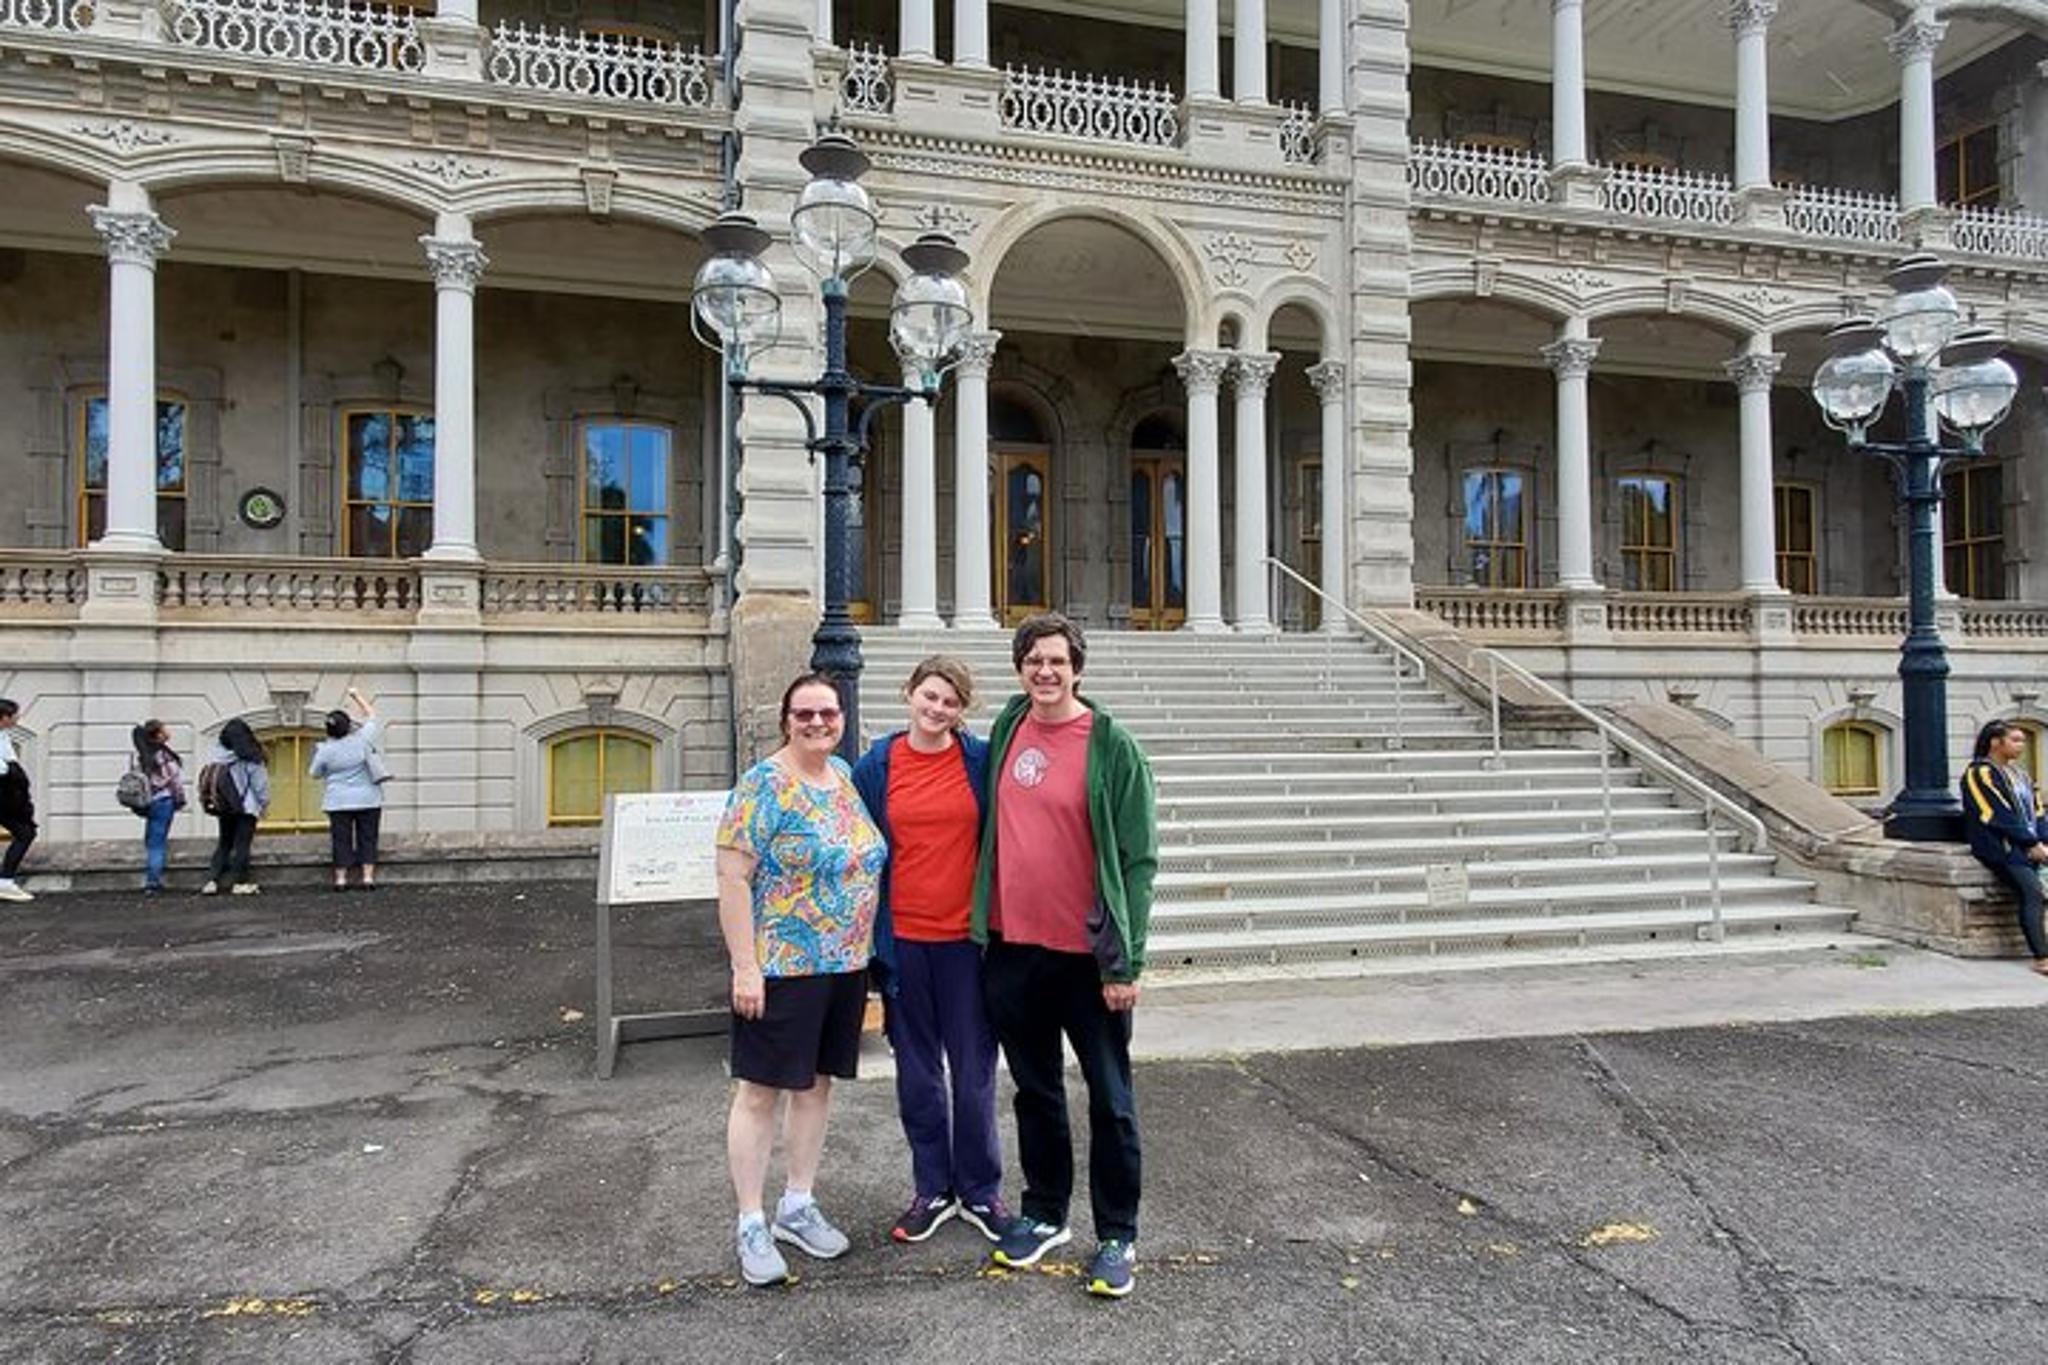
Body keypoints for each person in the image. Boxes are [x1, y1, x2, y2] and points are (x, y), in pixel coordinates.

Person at [971, 612, 1157, 1299]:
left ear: (1077, 667)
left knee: (1110, 1098)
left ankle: (1117, 1234)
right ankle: (1046, 1212)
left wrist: (1126, 962)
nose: (1045, 671)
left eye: (1056, 660)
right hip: (1014, 949)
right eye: (1033, 660)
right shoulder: (1008, 727)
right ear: (1020, 669)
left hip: (1088, 958)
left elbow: (1138, 860)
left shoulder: (1112, 745)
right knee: (1036, 1092)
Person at [715, 674, 886, 1287]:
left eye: (828, 713)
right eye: (805, 713)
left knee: (815, 1086)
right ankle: (751, 1221)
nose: (818, 722)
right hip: (782, 966)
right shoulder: (763, 785)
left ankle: (797, 1204)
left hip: (844, 965)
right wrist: (745, 966)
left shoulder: (841, 776)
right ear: (786, 720)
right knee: (760, 1091)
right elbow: (732, 878)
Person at [850, 657, 1005, 1245]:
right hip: (904, 943)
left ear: (963, 710)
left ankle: (981, 1191)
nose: (938, 709)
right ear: (909, 693)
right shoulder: (877, 766)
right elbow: (860, 847)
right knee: (917, 1073)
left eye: (951, 701)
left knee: (974, 1071)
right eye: (930, 696)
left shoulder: (979, 761)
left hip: (967, 943)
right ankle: (932, 1188)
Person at [1961, 718, 2048, 975]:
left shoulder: (2021, 775)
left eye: (2022, 740)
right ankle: (2042, 957)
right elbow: (1994, 813)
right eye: (2015, 740)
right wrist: (2029, 842)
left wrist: (2042, 841)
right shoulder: (1979, 773)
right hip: (2003, 847)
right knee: (2032, 892)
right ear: (1995, 743)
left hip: (2030, 845)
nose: (2021, 745)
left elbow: (2038, 811)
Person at [310, 687, 384, 891]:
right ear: (349, 726)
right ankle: (367, 877)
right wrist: (356, 696)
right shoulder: (362, 739)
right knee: (368, 837)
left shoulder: (325, 750)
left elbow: (314, 773)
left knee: (341, 839)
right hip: (368, 798)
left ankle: (341, 879)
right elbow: (372, 716)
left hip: (338, 800)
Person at [200, 719, 269, 896]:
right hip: (246, 806)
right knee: (242, 845)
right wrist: (264, 804)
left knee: (224, 843)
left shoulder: (217, 754)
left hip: (224, 805)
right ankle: (239, 882)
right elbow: (260, 786)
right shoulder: (253, 757)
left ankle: (212, 881)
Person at [131, 719, 187, 894]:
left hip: (148, 801)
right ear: (158, 735)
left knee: (151, 840)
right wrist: (180, 800)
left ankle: (152, 879)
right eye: (164, 729)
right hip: (164, 800)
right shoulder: (163, 755)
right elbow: (175, 781)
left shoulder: (139, 755)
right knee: (158, 843)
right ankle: (153, 883)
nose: (167, 732)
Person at [0, 698, 34, 903]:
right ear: (4, 717)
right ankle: (4, 882)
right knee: (24, 833)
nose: (18, 718)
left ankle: (5, 881)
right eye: (14, 715)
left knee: (25, 832)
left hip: (8, 796)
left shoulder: (4, 735)